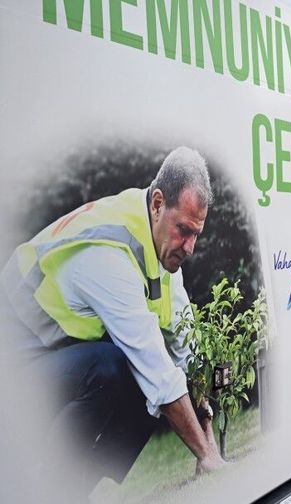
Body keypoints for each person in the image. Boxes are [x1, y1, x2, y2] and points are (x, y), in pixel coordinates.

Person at [0, 146, 225, 498]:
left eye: (197, 233)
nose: (190, 246)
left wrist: (209, 435)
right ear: (157, 204)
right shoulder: (108, 254)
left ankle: (77, 490)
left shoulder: (161, 251)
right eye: (184, 230)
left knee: (133, 374)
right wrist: (208, 456)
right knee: (115, 367)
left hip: (50, 355)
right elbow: (156, 371)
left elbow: (187, 350)